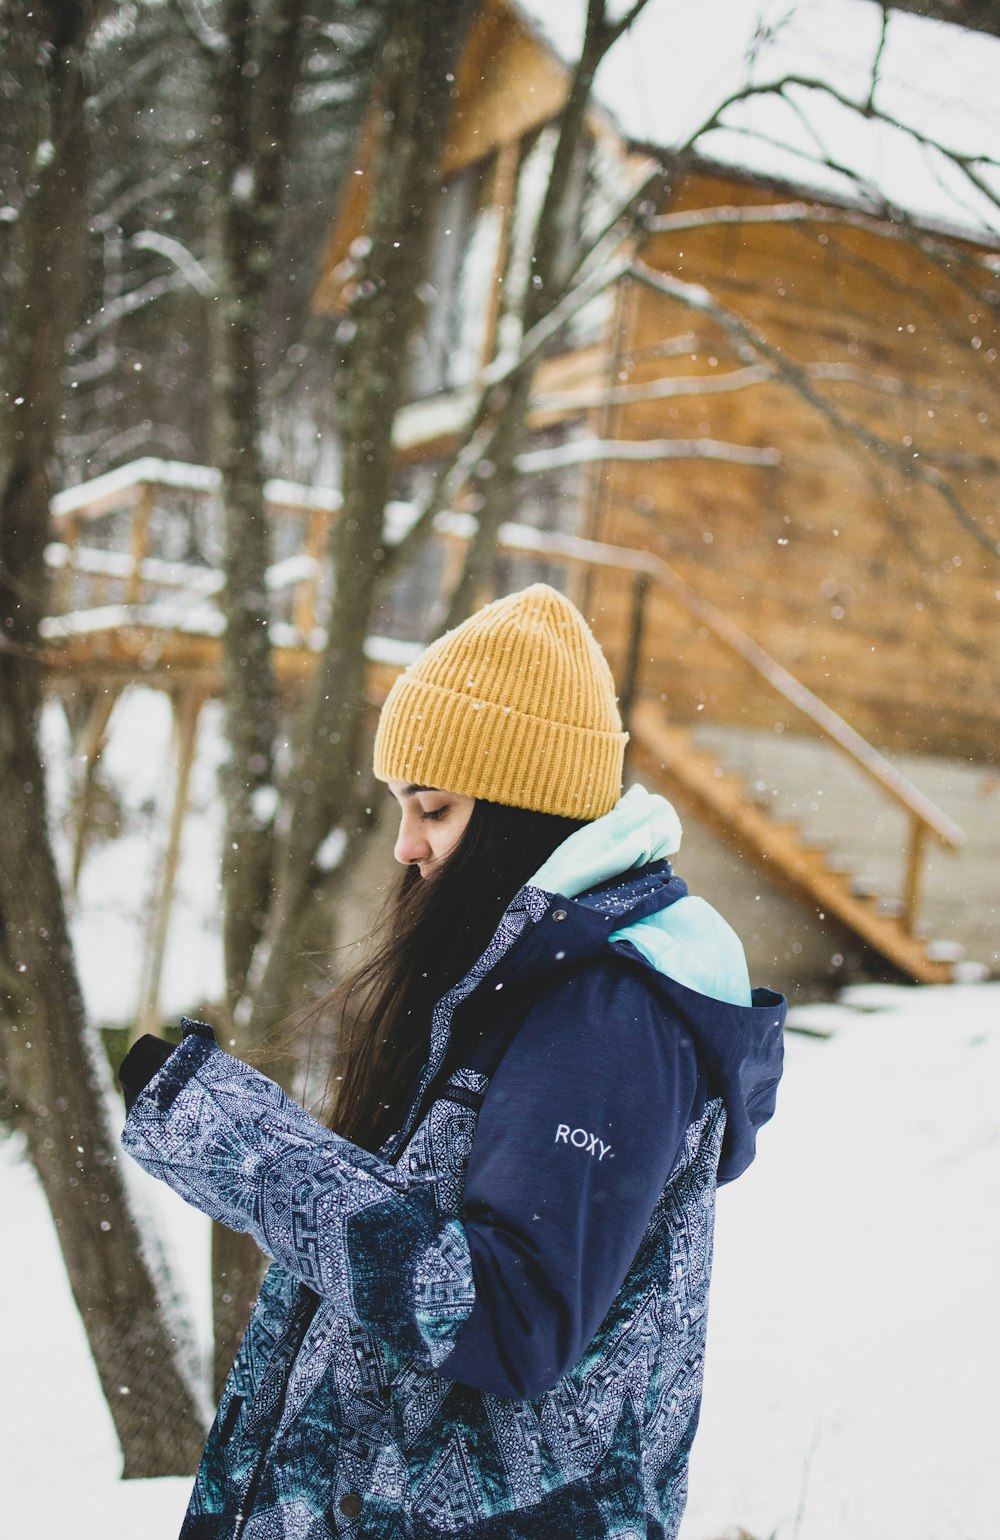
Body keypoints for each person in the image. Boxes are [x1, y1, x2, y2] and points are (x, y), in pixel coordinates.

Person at [119, 583, 786, 1540]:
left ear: (526, 810)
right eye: (400, 806)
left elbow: (505, 1315)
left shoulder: (607, 1011)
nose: (407, 846)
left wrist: (240, 1145)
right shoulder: (516, 983)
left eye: (433, 807)